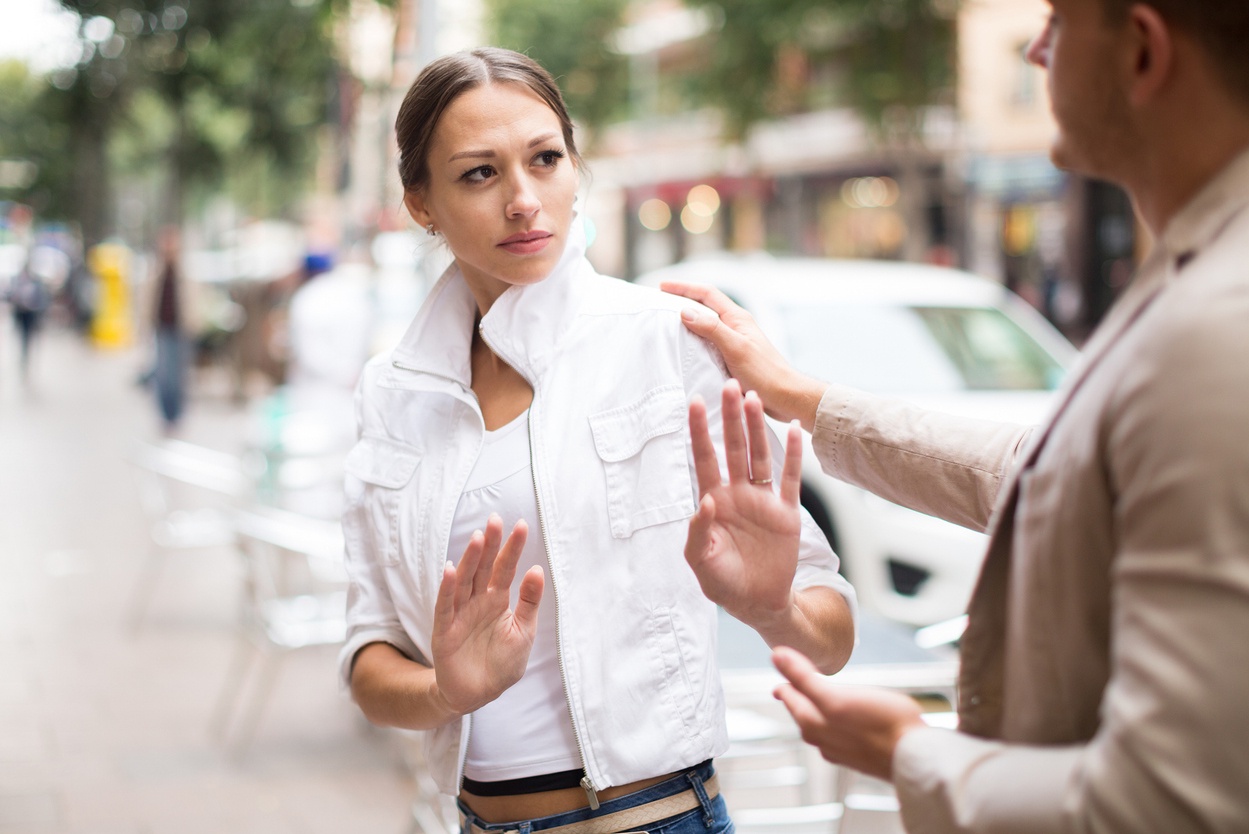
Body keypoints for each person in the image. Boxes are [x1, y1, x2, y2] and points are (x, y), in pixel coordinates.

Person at [665, 1, 1249, 831]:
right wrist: (802, 399)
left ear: (1144, 50)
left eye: (1055, 20)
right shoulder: (1199, 272)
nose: (1036, 49)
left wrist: (911, 754)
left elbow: (1171, 797)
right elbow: (1042, 471)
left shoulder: (1216, 320)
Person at [338, 47, 857, 834]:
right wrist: (448, 691)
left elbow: (831, 636)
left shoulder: (663, 341)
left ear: (574, 168)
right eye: (479, 173)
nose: (523, 200)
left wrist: (772, 605)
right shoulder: (392, 390)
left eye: (545, 160)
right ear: (421, 203)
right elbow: (370, 656)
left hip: (653, 818)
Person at [151, 226, 189, 433]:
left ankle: (176, 415)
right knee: (163, 375)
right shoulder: (157, 272)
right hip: (162, 329)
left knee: (178, 376)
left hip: (180, 330)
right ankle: (166, 415)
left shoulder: (183, 273)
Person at [7, 256, 51, 380]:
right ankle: (23, 358)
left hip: (31, 315)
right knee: (21, 337)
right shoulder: (16, 280)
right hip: (20, 314)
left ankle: (27, 357)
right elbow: (10, 294)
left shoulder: (36, 281)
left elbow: (43, 298)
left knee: (28, 337)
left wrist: (36, 308)